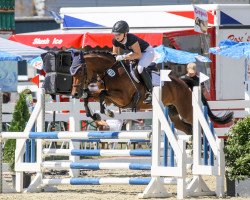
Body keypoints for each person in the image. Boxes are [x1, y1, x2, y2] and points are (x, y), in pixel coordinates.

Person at [112, 20, 155, 104]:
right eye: (115, 34)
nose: (116, 36)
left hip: (147, 52)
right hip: (135, 53)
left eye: (119, 34)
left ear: (125, 33)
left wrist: (123, 57)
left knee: (140, 68)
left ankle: (150, 92)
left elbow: (138, 54)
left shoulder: (131, 39)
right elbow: (115, 54)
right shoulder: (115, 41)